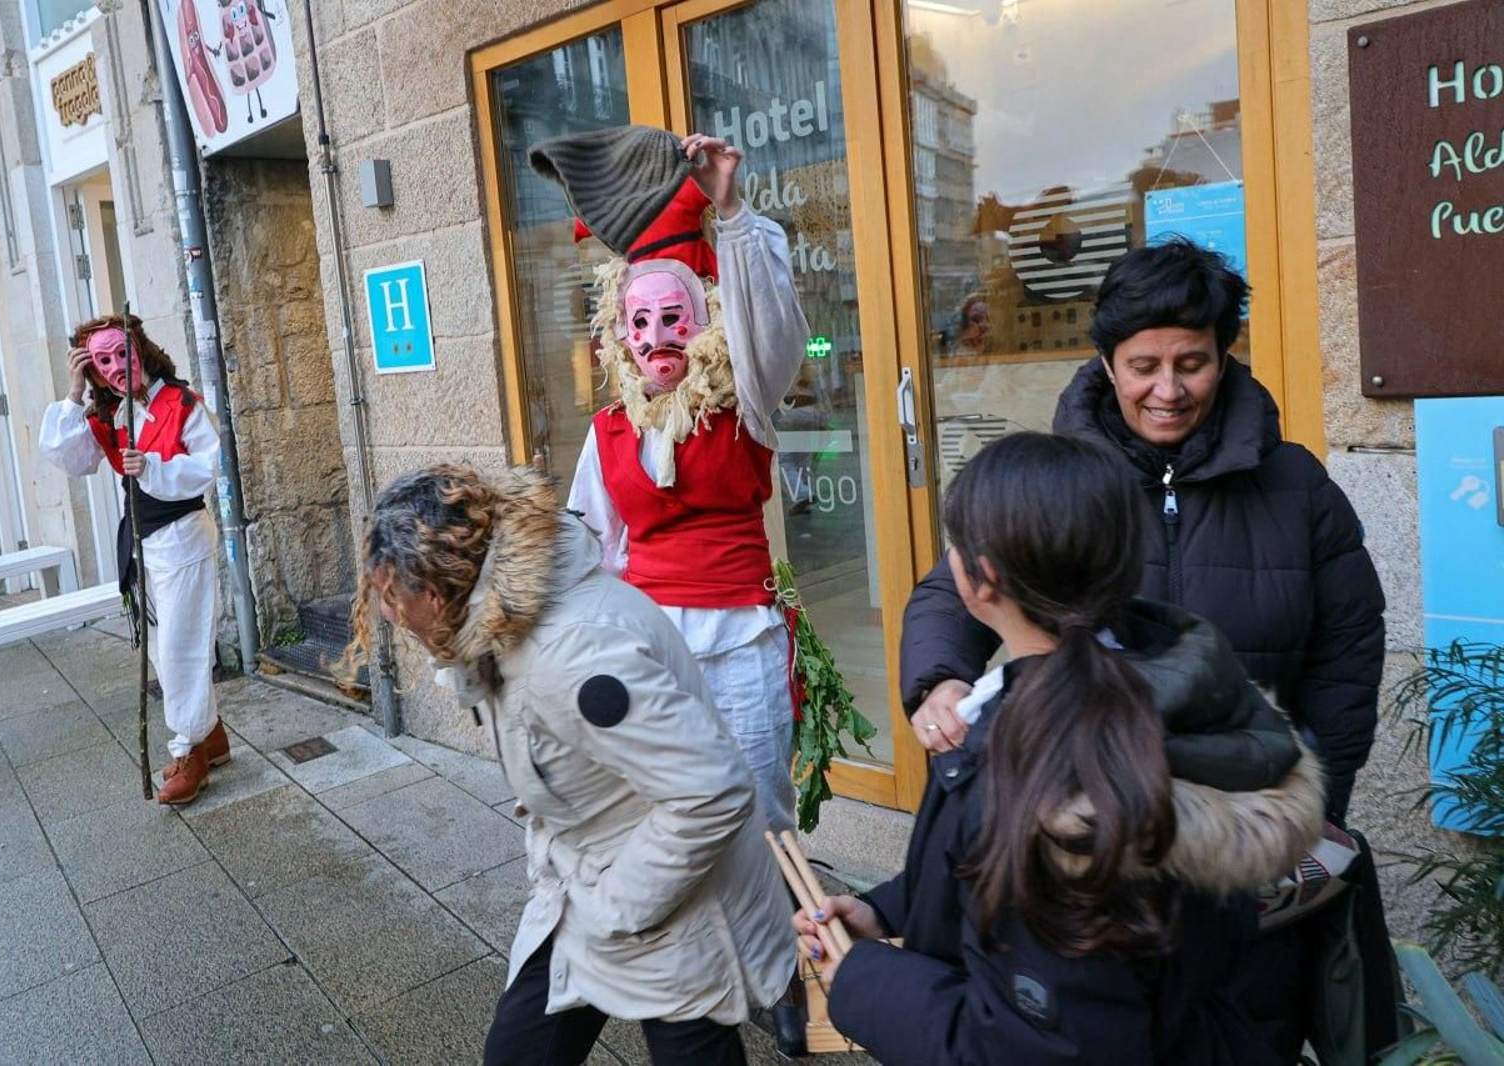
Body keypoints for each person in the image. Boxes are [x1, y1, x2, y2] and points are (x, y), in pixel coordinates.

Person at [899, 239, 1386, 1057]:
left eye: (1192, 363)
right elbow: (955, 587)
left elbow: (1349, 653)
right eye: (1144, 365)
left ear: (1224, 357)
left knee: (1240, 1036)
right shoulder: (1060, 481)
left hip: (1238, 852)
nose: (1168, 390)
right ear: (1107, 360)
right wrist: (937, 681)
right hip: (1094, 844)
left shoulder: (1295, 485)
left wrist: (1301, 815)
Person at [796, 433, 1324, 1065]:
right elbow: (998, 886)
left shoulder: (1041, 767)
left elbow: (1033, 1048)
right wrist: (886, 909)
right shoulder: (1175, 686)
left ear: (980, 578)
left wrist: (859, 978)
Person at [341, 464, 795, 1066]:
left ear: (445, 584)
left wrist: (615, 907)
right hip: (584, 888)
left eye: (399, 598)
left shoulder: (574, 652)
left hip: (674, 909)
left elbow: (711, 792)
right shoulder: (505, 617)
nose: (394, 617)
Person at [532, 124, 814, 1054]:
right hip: (643, 651)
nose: (657, 335)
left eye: (676, 318)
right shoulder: (608, 429)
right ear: (620, 333)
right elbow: (583, 540)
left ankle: (781, 973)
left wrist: (729, 209)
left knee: (759, 806)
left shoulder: (749, 402)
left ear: (703, 327)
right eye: (640, 322)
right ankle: (684, 968)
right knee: (668, 811)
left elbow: (772, 320)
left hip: (736, 637)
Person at [38, 314, 228, 806]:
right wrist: (73, 391)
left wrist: (156, 467)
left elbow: (209, 466)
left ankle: (189, 749)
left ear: (141, 349)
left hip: (184, 538)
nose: (118, 367)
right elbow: (69, 458)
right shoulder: (111, 414)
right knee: (166, 643)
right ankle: (211, 737)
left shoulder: (181, 403)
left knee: (180, 651)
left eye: (123, 353)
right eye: (103, 361)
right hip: (143, 543)